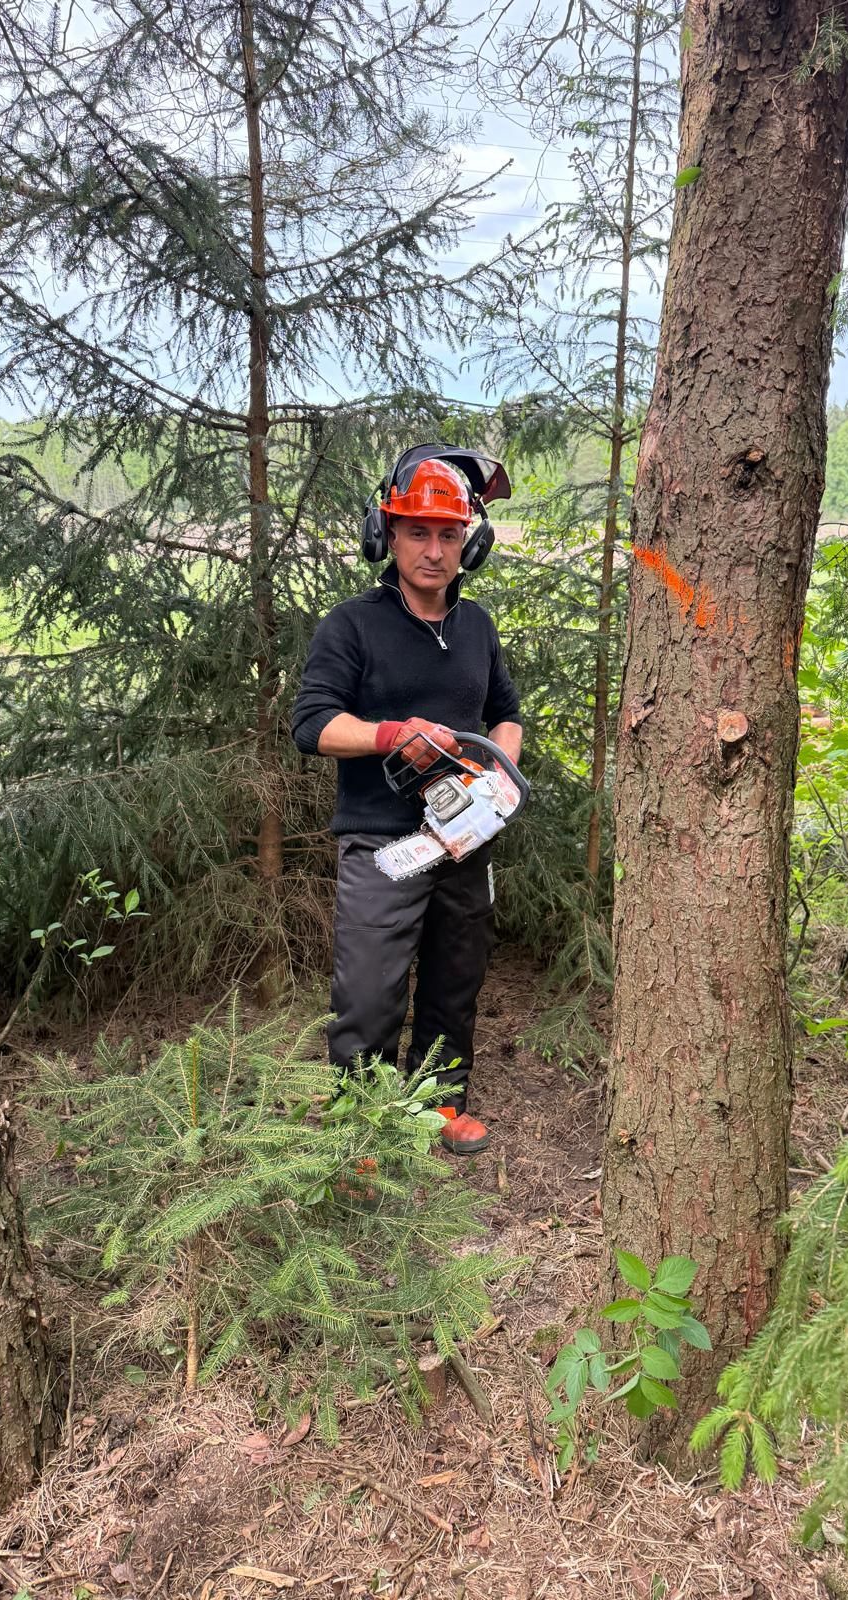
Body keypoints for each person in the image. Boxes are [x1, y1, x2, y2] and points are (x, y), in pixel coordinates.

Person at [290, 447, 523, 1155]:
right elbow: (312, 724)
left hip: (464, 837)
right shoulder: (353, 625)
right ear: (386, 534)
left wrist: (499, 773)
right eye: (417, 532)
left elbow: (506, 715)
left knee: (456, 977)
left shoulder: (477, 626)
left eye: (449, 534)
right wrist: (391, 734)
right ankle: (361, 1124)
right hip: (383, 840)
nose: (434, 550)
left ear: (470, 543)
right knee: (369, 988)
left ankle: (439, 1103)